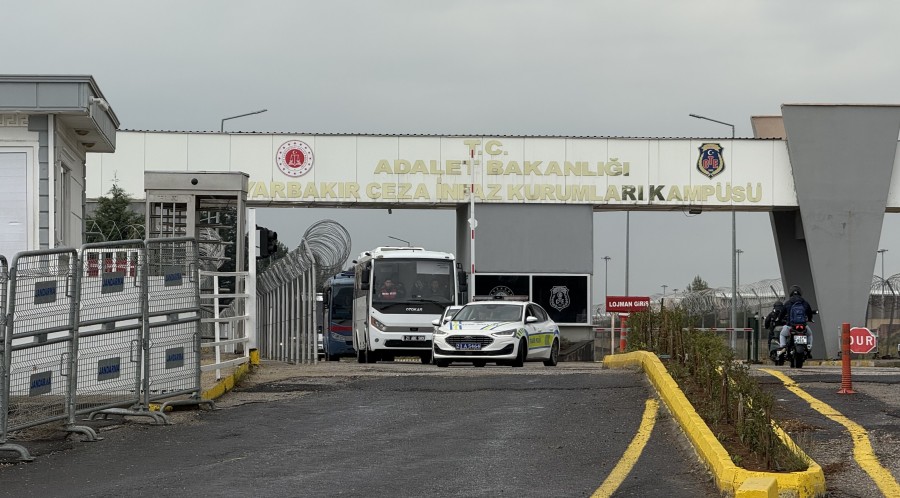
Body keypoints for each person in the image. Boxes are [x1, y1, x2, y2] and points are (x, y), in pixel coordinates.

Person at [777, 285, 814, 354]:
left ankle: (783, 347)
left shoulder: (788, 303)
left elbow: (782, 314)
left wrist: (779, 320)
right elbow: (809, 313)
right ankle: (809, 346)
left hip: (790, 326)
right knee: (809, 334)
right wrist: (810, 319)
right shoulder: (804, 302)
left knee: (782, 334)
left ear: (790, 293)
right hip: (803, 326)